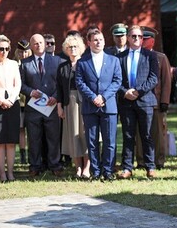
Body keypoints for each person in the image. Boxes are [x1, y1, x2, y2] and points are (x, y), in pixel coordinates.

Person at [76, 29, 122, 181]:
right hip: (90, 107)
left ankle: (108, 171)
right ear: (88, 43)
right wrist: (93, 97)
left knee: (109, 141)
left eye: (100, 39)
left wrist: (103, 97)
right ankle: (95, 171)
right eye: (95, 40)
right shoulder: (82, 62)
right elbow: (80, 83)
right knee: (92, 141)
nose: (98, 42)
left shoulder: (113, 60)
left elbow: (117, 81)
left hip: (109, 107)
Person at [116, 25, 158, 179]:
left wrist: (138, 91)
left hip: (145, 100)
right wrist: (124, 92)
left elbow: (153, 79)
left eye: (140, 37)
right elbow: (116, 80)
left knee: (146, 135)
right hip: (126, 102)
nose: (137, 39)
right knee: (128, 135)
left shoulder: (150, 56)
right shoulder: (120, 57)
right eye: (133, 36)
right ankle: (127, 168)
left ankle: (150, 166)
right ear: (128, 38)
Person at [20, 34, 64, 177]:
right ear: (31, 46)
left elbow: (61, 83)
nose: (38, 45)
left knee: (53, 137)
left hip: (51, 106)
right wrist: (30, 91)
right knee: (34, 138)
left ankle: (55, 165)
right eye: (35, 44)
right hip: (33, 108)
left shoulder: (56, 61)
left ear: (45, 44)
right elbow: (20, 84)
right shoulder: (25, 63)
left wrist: (56, 97)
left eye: (40, 43)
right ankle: (35, 166)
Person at [0, 35, 22, 182]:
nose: (4, 51)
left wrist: (11, 100)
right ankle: (2, 173)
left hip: (13, 104)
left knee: (11, 140)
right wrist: (1, 101)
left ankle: (11, 173)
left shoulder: (14, 64)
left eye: (7, 48)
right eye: (1, 49)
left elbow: (17, 84)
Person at [135, 27, 171, 169]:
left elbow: (166, 81)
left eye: (146, 39)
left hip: (156, 102)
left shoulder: (160, 57)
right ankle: (141, 160)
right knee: (139, 133)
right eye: (141, 38)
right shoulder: (136, 57)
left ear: (152, 41)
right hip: (139, 102)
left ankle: (158, 160)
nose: (143, 41)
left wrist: (164, 101)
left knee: (157, 134)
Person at [57, 35, 90, 179]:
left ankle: (87, 168)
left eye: (75, 46)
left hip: (86, 101)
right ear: (66, 49)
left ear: (81, 48)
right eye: (70, 47)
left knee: (85, 133)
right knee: (73, 134)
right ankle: (77, 168)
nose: (73, 49)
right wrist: (59, 106)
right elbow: (59, 88)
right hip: (69, 102)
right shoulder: (62, 67)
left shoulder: (87, 63)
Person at [13, 39, 32, 164]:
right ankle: (22, 154)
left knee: (31, 130)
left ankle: (32, 153)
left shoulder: (31, 63)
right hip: (19, 101)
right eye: (20, 52)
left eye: (25, 52)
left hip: (30, 101)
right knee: (20, 129)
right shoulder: (13, 64)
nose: (23, 55)